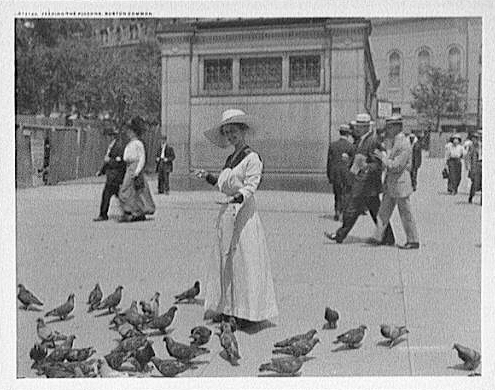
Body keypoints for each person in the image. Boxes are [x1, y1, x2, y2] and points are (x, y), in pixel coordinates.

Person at [193, 109, 278, 328]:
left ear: (243, 131)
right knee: (227, 261)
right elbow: (225, 184)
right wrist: (208, 177)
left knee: (245, 259)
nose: (230, 136)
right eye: (227, 132)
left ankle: (246, 312)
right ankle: (227, 308)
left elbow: (251, 186)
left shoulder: (252, 158)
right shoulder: (231, 158)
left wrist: (236, 199)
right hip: (227, 213)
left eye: (233, 132)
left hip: (244, 214)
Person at [325, 113, 394, 245]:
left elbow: (377, 163)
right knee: (371, 211)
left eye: (359, 126)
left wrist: (366, 167)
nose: (356, 129)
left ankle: (340, 235)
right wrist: (350, 162)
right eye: (357, 126)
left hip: (367, 183)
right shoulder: (362, 140)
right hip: (363, 183)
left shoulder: (372, 141)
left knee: (357, 210)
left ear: (366, 127)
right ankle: (388, 237)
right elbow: (358, 158)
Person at [369, 116, 420, 250]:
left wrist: (383, 158)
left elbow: (396, 166)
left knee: (405, 213)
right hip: (391, 184)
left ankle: (413, 240)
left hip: (401, 184)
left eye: (390, 127)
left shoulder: (403, 143)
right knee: (383, 212)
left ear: (398, 127)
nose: (388, 130)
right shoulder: (394, 142)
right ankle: (377, 237)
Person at [118, 116, 156, 222]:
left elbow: (142, 158)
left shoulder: (138, 143)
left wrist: (137, 171)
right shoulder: (130, 143)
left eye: (130, 131)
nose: (128, 133)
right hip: (129, 166)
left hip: (134, 167)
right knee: (130, 191)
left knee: (127, 190)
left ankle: (134, 211)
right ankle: (134, 211)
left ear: (134, 132)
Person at [93, 128, 126, 222]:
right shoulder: (112, 145)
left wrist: (110, 161)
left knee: (114, 195)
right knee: (115, 196)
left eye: (114, 135)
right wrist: (101, 171)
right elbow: (107, 161)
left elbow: (120, 162)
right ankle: (104, 214)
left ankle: (129, 212)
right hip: (111, 176)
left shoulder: (119, 146)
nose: (112, 136)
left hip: (116, 175)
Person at [326, 124, 355, 221]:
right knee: (346, 194)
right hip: (346, 174)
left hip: (335, 174)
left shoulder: (333, 145)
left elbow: (329, 162)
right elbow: (353, 162)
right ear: (348, 134)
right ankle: (343, 212)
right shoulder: (351, 147)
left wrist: (329, 175)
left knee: (337, 193)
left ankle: (337, 211)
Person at [467, 130, 482, 204]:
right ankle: (471, 196)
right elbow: (469, 157)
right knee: (475, 182)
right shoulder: (473, 146)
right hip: (476, 165)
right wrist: (469, 167)